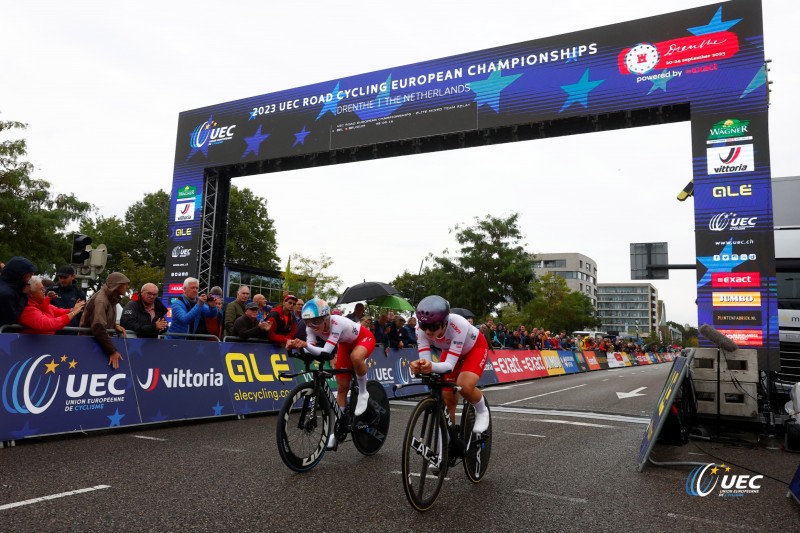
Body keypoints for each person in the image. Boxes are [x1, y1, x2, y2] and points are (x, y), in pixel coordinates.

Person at [287, 298, 376, 448]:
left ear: (325, 318)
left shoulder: (337, 323)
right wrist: (295, 346)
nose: (311, 326)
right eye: (307, 322)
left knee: (356, 357)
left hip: (364, 339)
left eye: (315, 321)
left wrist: (305, 345)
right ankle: (338, 429)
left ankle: (363, 392)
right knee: (341, 388)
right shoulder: (310, 328)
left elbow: (326, 351)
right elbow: (313, 350)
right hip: (344, 346)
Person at [410, 295, 490, 434]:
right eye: (424, 326)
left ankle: (482, 410)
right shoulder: (420, 329)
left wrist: (431, 366)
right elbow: (425, 360)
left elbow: (449, 365)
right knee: (448, 398)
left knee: (464, 386)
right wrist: (419, 365)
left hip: (475, 348)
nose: (428, 331)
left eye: (433, 326)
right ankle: (449, 438)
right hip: (450, 350)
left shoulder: (459, 324)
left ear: (444, 322)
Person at [79, 272, 130, 369]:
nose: (127, 286)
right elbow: (98, 327)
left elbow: (100, 319)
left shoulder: (111, 297)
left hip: (96, 344)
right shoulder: (101, 300)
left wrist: (113, 325)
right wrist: (112, 351)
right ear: (117, 285)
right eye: (125, 284)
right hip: (90, 345)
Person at [19, 276, 85, 334]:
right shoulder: (28, 310)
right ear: (30, 293)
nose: (45, 291)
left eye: (44, 288)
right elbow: (49, 324)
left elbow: (57, 311)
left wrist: (74, 309)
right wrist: (73, 313)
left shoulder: (41, 303)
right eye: (41, 289)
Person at [47, 265, 87, 332]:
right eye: (60, 277)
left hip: (71, 332)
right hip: (53, 331)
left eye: (65, 277)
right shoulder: (50, 291)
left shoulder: (79, 293)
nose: (62, 280)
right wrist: (47, 299)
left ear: (73, 277)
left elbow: (82, 316)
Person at [0, 256, 36, 327]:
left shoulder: (10, 286)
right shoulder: (7, 293)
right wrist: (23, 295)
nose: (31, 277)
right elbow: (11, 319)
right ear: (19, 274)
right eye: (29, 274)